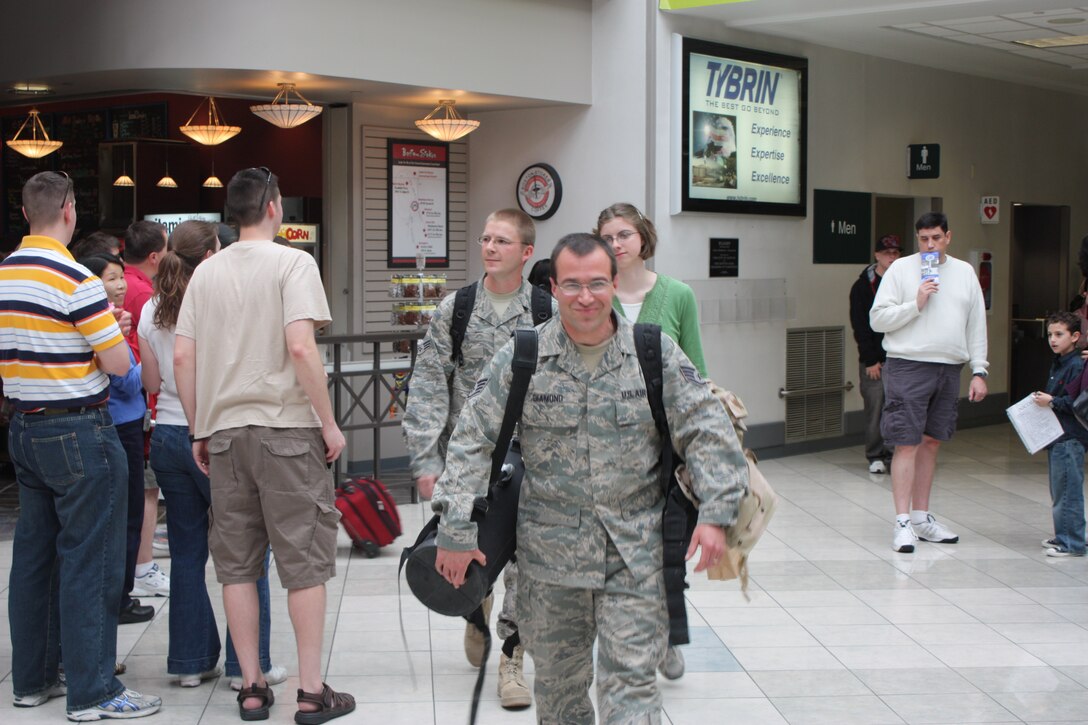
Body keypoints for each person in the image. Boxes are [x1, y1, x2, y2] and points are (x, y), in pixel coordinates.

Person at [432, 232, 748, 724]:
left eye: (597, 283)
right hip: (548, 564)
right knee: (559, 698)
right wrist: (455, 530)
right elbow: (471, 439)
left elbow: (707, 430)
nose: (586, 297)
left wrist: (716, 512)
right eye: (573, 284)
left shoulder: (653, 353)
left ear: (615, 284)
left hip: (635, 558)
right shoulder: (523, 356)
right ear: (554, 288)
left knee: (632, 692)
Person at [174, 167, 354, 722]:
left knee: (236, 564)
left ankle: (251, 687)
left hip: (225, 435)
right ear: (274, 206)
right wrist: (328, 422)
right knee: (303, 562)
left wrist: (200, 425)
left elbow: (183, 356)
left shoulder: (205, 272)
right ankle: (309, 690)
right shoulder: (294, 262)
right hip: (286, 430)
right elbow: (301, 348)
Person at [1, 171, 161, 719]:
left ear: (27, 213)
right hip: (79, 429)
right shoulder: (75, 278)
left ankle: (32, 680)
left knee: (33, 559)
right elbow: (119, 366)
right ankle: (94, 692)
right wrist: (110, 332)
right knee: (90, 561)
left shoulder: (3, 273)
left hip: (23, 428)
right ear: (69, 210)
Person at [403, 207, 552, 709]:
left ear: (525, 252)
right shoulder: (458, 307)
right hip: (466, 457)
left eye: (502, 241)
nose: (490, 248)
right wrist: (426, 459)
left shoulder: (546, 310)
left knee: (528, 560)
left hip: (529, 459)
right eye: (486, 238)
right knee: (469, 548)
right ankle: (474, 611)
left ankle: (513, 655)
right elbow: (427, 384)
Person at [595, 201, 704, 679]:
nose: (616, 244)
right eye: (607, 237)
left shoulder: (678, 295)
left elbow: (697, 369)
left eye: (623, 235)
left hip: (664, 443)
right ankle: (626, 640)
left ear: (643, 237)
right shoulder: (594, 294)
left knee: (667, 545)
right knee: (616, 551)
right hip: (608, 442)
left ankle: (665, 636)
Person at [870, 212, 988, 553]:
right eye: (923, 239)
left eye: (936, 238)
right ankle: (902, 521)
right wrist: (916, 303)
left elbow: (976, 324)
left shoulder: (964, 272)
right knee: (905, 442)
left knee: (932, 441)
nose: (930, 245)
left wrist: (979, 370)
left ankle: (922, 518)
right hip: (908, 364)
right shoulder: (901, 270)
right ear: (917, 238)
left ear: (948, 237)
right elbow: (877, 319)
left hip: (948, 367)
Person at [78, 254, 154, 625]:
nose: (121, 285)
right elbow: (125, 379)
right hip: (120, 425)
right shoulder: (103, 325)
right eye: (111, 278)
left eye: (122, 276)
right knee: (125, 515)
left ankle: (119, 594)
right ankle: (118, 598)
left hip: (121, 423)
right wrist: (152, 367)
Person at [121, 221, 170, 603]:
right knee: (146, 491)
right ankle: (142, 567)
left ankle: (135, 567)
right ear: (155, 256)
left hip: (125, 406)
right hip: (140, 404)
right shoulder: (143, 294)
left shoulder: (122, 282)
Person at [1032, 311, 1088, 557]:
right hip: (1058, 435)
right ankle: (1064, 534)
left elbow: (1075, 402)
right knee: (1060, 489)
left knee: (1067, 490)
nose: (1052, 340)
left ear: (1075, 337)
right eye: (1050, 335)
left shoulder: (1077, 365)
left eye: (1059, 334)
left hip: (1069, 436)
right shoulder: (1061, 362)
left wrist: (1051, 401)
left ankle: (1072, 543)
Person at [848, 234, 902, 475]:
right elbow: (860, 325)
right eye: (887, 253)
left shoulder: (903, 283)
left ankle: (894, 454)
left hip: (898, 357)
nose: (892, 257)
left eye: (895, 253)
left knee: (897, 407)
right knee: (875, 407)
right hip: (874, 360)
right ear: (877, 255)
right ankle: (875, 455)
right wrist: (870, 359)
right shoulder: (862, 287)